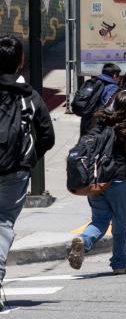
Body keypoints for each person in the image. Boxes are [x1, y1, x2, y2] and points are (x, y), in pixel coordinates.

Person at [67, 90, 126, 275]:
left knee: (99, 219)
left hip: (97, 181)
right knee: (119, 224)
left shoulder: (100, 125)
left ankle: (84, 240)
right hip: (119, 181)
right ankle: (119, 263)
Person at [0, 35, 55, 308]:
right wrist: (28, 160)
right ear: (21, 62)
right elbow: (48, 136)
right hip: (15, 172)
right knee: (2, 224)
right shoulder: (29, 96)